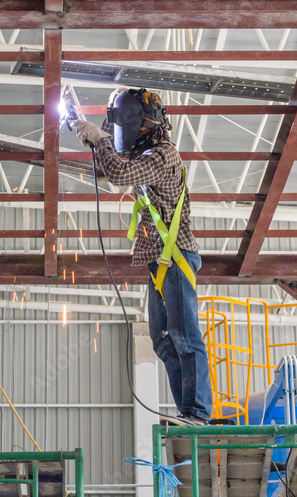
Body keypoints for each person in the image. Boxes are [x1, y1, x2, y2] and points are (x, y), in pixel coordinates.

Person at [69, 87, 211, 426]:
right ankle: (188, 411)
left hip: (175, 256)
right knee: (163, 340)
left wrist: (97, 137)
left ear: (141, 123)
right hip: (160, 260)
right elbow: (110, 168)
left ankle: (198, 412)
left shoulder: (163, 155)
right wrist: (82, 130)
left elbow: (118, 174)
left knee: (184, 334)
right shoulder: (144, 158)